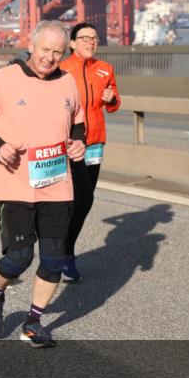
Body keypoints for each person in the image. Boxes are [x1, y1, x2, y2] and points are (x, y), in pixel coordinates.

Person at [0, 20, 86, 348]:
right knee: (19, 258)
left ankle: (33, 321)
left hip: (57, 181)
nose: (50, 58)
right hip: (15, 182)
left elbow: (78, 124)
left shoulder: (68, 82)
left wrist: (78, 143)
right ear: (31, 46)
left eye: (58, 52)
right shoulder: (3, 79)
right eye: (45, 50)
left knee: (54, 258)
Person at [60, 22, 121, 281]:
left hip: (94, 143)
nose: (90, 42)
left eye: (94, 38)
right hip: (68, 144)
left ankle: (64, 250)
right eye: (84, 38)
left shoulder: (105, 69)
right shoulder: (61, 69)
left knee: (84, 201)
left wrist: (112, 99)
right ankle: (62, 251)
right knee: (74, 200)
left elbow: (114, 103)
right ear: (72, 43)